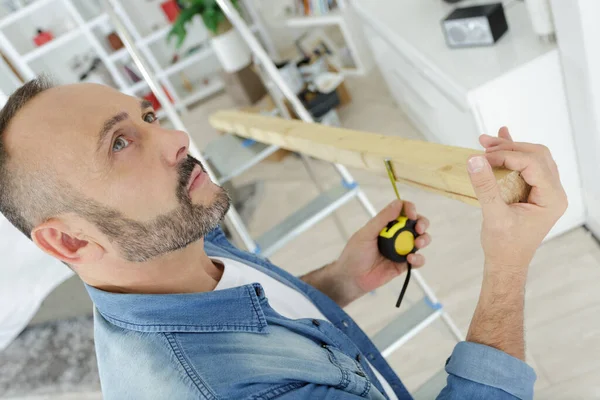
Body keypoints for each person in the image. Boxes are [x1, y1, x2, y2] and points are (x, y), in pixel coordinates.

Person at [0, 78, 567, 400]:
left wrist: (340, 281)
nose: (176, 136)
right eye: (120, 144)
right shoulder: (220, 392)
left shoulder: (169, 242)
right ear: (70, 243)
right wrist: (509, 265)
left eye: (146, 116)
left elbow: (239, 311)